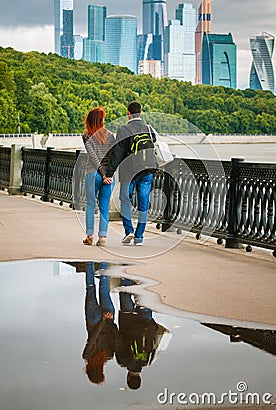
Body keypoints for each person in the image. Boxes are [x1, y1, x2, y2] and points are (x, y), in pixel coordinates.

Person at [106, 101, 156, 246]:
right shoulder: (148, 128)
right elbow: (154, 142)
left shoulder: (123, 130)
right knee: (143, 204)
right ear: (140, 112)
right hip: (147, 171)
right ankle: (139, 236)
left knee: (125, 200)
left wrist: (109, 173)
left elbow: (117, 153)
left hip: (129, 173)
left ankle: (129, 231)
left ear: (128, 113)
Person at [116, 278, 167, 390]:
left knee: (145, 292)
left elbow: (155, 341)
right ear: (128, 378)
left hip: (146, 322)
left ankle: (142, 273)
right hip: (128, 319)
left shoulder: (148, 361)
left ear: (140, 377)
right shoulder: (123, 361)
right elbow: (118, 339)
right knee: (125, 291)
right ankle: (126, 267)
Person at [82, 106, 115, 247]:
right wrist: (109, 175)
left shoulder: (87, 136)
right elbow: (114, 157)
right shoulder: (110, 136)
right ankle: (102, 238)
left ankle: (89, 236)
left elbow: (93, 157)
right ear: (101, 120)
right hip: (107, 176)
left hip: (93, 174)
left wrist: (101, 174)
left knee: (90, 205)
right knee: (104, 207)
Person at [82, 261, 119, 385]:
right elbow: (93, 337)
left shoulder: (108, 355)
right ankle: (89, 260)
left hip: (107, 319)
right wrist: (102, 321)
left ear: (101, 371)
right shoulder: (87, 355)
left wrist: (108, 320)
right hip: (94, 320)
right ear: (89, 371)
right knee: (90, 288)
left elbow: (114, 334)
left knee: (104, 288)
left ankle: (103, 260)